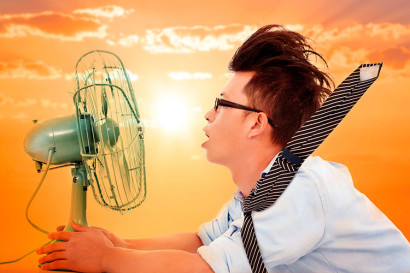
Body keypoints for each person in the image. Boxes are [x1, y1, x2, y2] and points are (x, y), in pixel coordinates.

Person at [36, 25, 410, 272]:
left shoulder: (298, 189)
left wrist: (107, 259)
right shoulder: (257, 190)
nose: (209, 113)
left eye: (222, 103)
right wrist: (121, 242)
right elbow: (202, 242)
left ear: (256, 123)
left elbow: (211, 269)